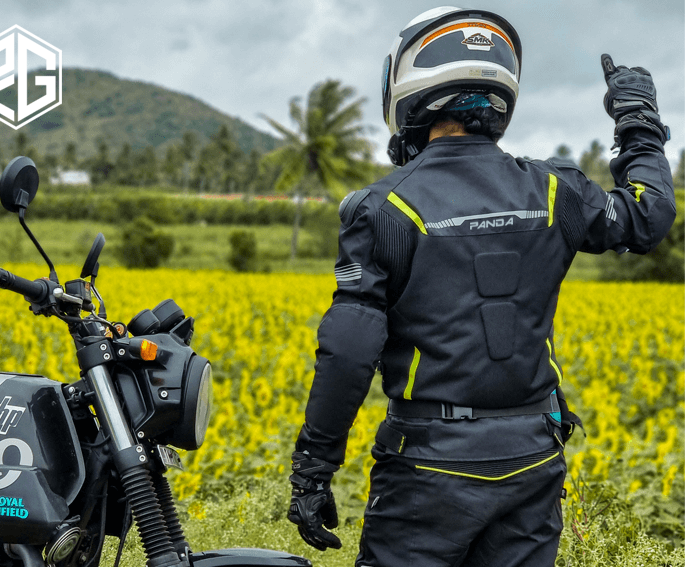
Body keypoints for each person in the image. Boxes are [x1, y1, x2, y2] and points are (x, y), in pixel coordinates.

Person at [286, 6, 675, 567]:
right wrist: (637, 119)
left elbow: (349, 351)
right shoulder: (555, 190)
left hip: (428, 463)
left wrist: (313, 470)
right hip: (533, 455)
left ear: (408, 86)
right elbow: (648, 215)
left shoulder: (385, 206)